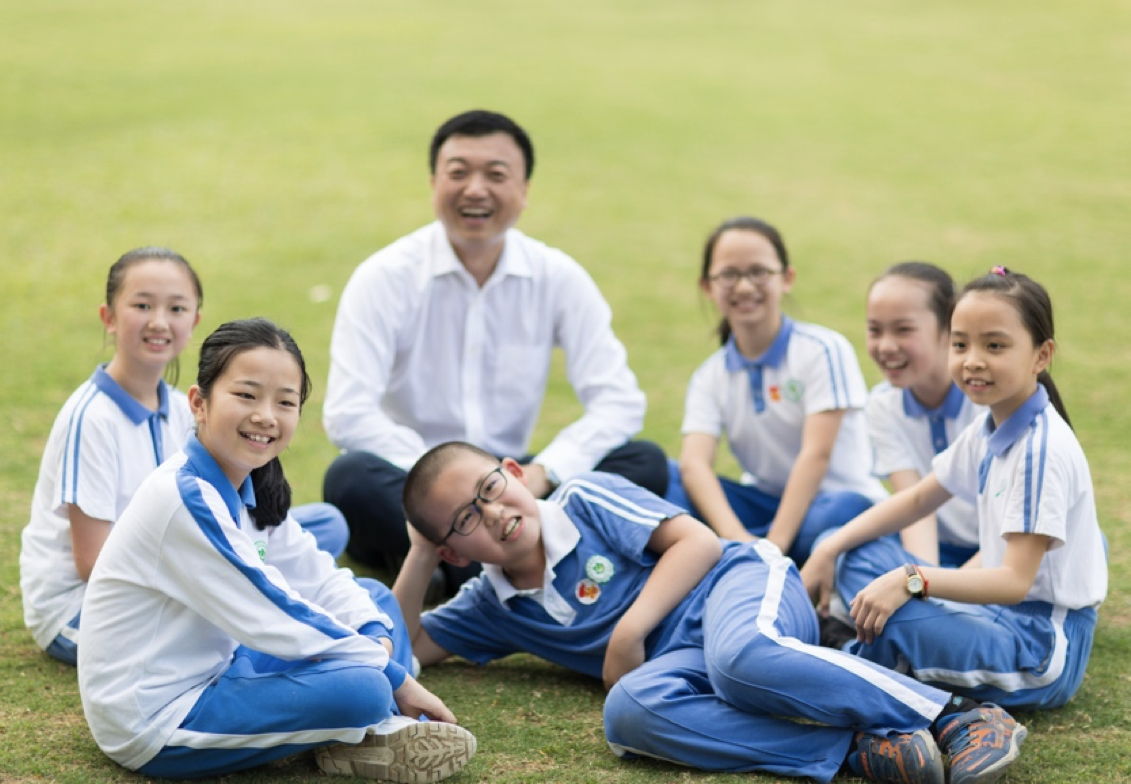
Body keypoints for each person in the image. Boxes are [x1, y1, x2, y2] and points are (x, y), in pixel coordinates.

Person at [393, 440, 1027, 784]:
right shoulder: (491, 604)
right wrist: (420, 554)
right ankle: (859, 751)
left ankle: (957, 716)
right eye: (465, 519)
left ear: (513, 472)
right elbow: (406, 649)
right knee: (627, 712)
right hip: (684, 662)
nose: (494, 514)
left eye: (491, 489)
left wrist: (629, 631)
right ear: (454, 552)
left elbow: (696, 542)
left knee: (739, 657)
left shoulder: (583, 499)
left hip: (737, 582)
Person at [78, 318, 476, 781]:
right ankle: (376, 723)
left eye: (285, 402)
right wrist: (391, 673)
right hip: (159, 714)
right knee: (365, 688)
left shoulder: (251, 483)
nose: (266, 415)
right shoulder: (184, 498)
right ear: (199, 402)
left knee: (374, 600)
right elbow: (272, 613)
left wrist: (373, 639)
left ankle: (368, 732)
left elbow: (316, 578)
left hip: (226, 662)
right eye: (246, 395)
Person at [322, 109, 667, 594]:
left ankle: (457, 568)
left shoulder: (558, 277)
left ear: (524, 189)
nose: (475, 190)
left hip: (515, 479)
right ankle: (536, 562)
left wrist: (544, 472)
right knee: (350, 478)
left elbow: (619, 402)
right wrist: (444, 480)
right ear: (433, 183)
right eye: (458, 173)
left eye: (496, 175)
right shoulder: (383, 278)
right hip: (416, 473)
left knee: (643, 462)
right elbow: (348, 413)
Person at [19, 248, 346, 666]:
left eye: (176, 308)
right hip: (91, 606)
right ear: (109, 317)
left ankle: (261, 599)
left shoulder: (182, 406)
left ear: (193, 322)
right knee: (242, 622)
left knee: (324, 525)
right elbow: (91, 563)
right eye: (142, 305)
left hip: (179, 563)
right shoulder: (91, 418)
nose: (159, 322)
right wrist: (211, 581)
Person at [801, 267, 1107, 711]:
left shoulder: (1041, 450)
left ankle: (845, 656)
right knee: (856, 553)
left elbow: (1014, 582)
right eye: (961, 344)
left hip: (1037, 647)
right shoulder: (989, 426)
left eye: (995, 346)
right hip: (989, 615)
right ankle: (862, 639)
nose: (973, 361)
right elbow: (917, 499)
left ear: (1041, 355)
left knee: (898, 615)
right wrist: (830, 548)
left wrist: (912, 580)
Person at [664, 217, 886, 565]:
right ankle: (736, 551)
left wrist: (775, 544)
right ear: (707, 285)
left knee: (835, 514)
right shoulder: (709, 376)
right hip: (763, 504)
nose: (744, 287)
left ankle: (750, 558)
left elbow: (816, 454)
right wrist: (739, 538)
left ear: (787, 278)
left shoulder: (823, 350)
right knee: (667, 479)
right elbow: (695, 464)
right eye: (728, 275)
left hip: (828, 504)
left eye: (759, 272)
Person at [865, 261, 987, 567]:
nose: (886, 346)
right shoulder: (882, 404)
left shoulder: (989, 401)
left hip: (1001, 552)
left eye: (903, 330)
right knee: (844, 547)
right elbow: (915, 507)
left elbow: (1015, 532)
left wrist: (948, 586)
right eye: (875, 330)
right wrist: (924, 582)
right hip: (938, 552)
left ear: (949, 328)